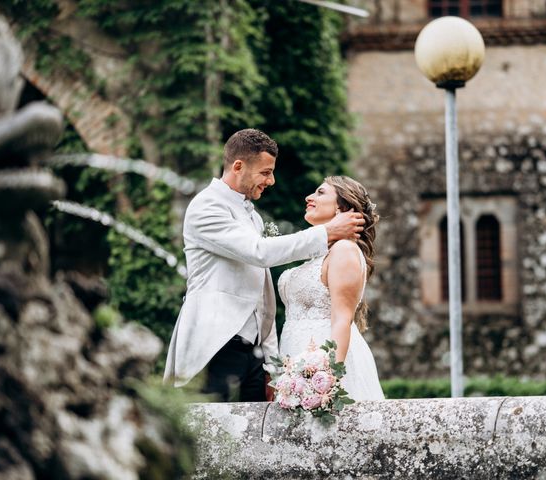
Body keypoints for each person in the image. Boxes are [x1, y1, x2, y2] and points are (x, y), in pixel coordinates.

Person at [163, 129, 364, 402]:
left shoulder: (254, 219)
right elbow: (259, 253)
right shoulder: (206, 207)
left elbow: (262, 299)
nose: (271, 180)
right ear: (238, 166)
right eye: (265, 172)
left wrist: (271, 365)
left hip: (253, 357)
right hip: (215, 346)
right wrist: (327, 232)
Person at [279, 176, 384, 400]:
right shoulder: (321, 252)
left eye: (320, 192)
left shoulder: (344, 249)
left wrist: (327, 379)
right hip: (295, 361)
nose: (309, 197)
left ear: (342, 207)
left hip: (324, 363)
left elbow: (342, 319)